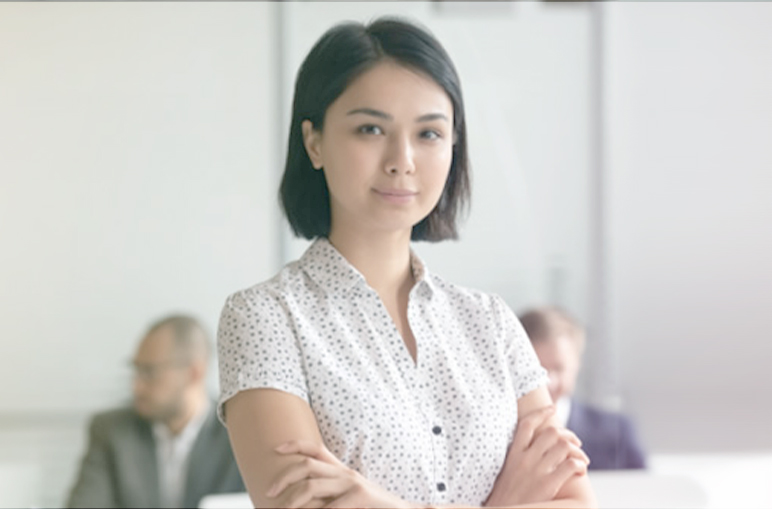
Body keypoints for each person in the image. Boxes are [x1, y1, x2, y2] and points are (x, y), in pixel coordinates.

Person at [216, 18, 596, 509]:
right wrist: (503, 502)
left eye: (429, 134)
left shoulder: (492, 324)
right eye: (370, 128)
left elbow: (574, 501)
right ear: (314, 142)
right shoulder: (265, 319)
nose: (402, 159)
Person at [67, 314, 244, 508]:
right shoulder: (112, 431)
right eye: (136, 371)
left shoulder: (240, 433)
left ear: (194, 373)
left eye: (149, 372)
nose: (136, 387)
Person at [519, 306, 648, 470]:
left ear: (577, 365)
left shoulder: (617, 433)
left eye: (558, 368)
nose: (549, 382)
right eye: (538, 370)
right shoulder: (499, 435)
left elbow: (645, 492)